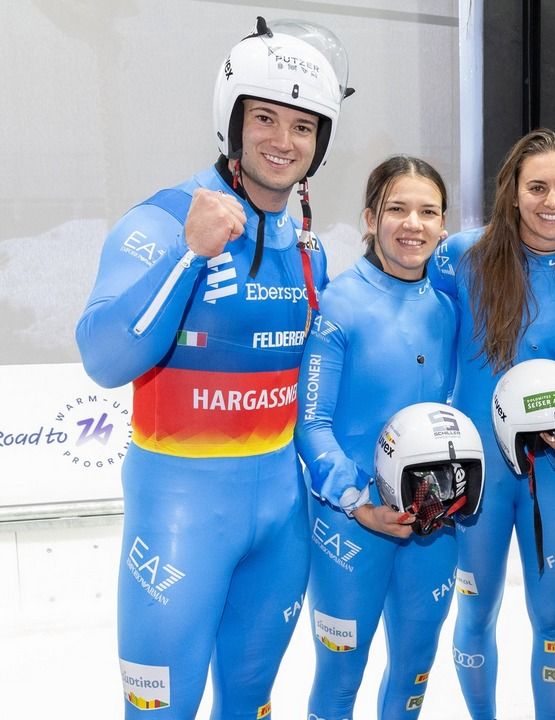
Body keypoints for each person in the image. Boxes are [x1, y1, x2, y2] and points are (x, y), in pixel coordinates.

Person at [75, 16, 351, 718]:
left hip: (280, 524)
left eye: (302, 126)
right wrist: (189, 255)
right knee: (160, 710)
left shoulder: (311, 252)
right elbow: (104, 356)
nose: (283, 142)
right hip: (178, 523)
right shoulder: (163, 221)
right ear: (230, 121)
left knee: (251, 705)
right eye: (264, 118)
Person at [431, 128, 555, 720]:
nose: (551, 201)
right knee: (475, 613)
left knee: (554, 619)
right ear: (512, 194)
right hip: (474, 474)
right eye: (536, 187)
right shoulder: (460, 258)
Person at [296, 155, 461, 719]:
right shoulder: (338, 303)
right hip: (349, 524)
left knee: (415, 667)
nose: (413, 223)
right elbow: (312, 424)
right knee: (340, 677)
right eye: (397, 209)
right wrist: (357, 500)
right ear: (370, 218)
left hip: (433, 522)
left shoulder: (448, 308)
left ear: (444, 226)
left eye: (428, 212)